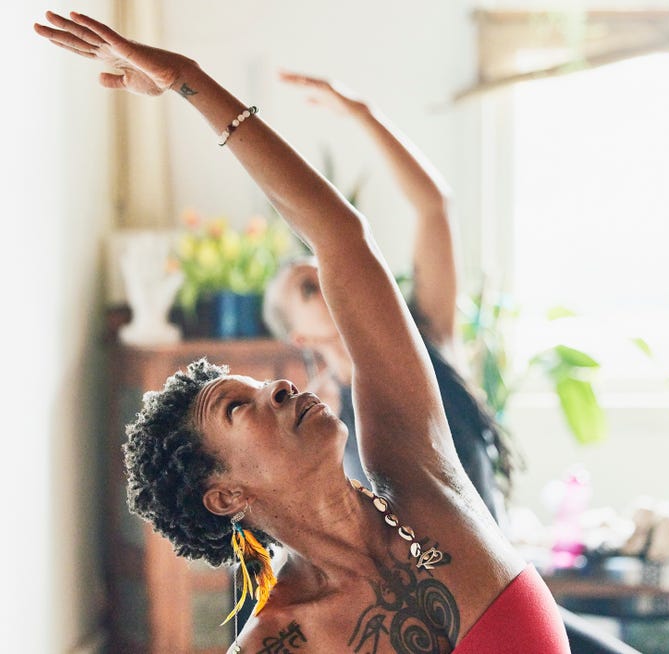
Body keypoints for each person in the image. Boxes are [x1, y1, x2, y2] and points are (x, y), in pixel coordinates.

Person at [35, 11, 570, 653]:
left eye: (260, 386)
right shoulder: (278, 640)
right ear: (225, 493)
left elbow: (340, 236)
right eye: (239, 407)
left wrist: (189, 80)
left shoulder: (417, 469)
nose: (280, 389)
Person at [263, 72, 514, 521]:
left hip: (502, 580)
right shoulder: (322, 419)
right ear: (300, 338)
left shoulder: (426, 336)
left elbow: (434, 206)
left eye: (322, 271)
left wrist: (363, 114)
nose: (327, 281)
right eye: (307, 288)